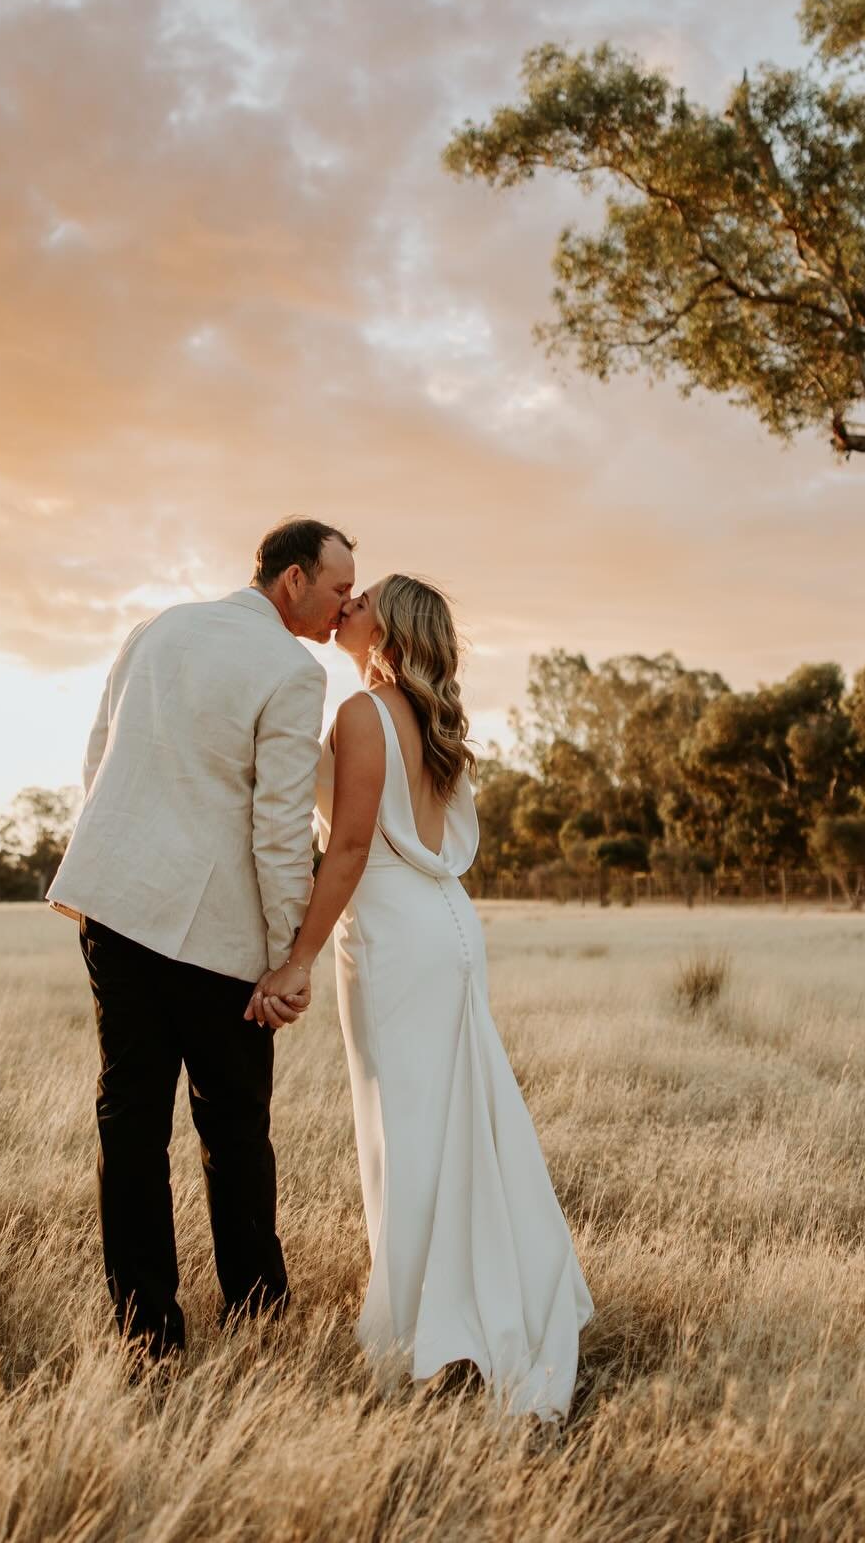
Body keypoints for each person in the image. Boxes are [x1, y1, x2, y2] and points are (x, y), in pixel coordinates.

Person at [249, 574, 593, 1419]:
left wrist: (297, 957)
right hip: (445, 926)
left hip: (398, 938)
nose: (348, 605)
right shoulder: (430, 722)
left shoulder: (365, 713)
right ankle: (459, 1306)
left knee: (406, 1134)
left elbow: (353, 843)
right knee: (452, 1126)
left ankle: (415, 1330)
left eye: (362, 600)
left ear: (389, 632)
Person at [47, 517, 356, 1358]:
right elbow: (280, 824)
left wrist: (111, 860)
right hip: (213, 933)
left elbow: (98, 756)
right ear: (291, 580)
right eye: (336, 589)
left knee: (130, 1119)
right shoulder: (292, 671)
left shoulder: (158, 627)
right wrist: (285, 956)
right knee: (233, 1127)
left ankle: (146, 1331)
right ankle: (257, 1310)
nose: (345, 606)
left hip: (113, 906)